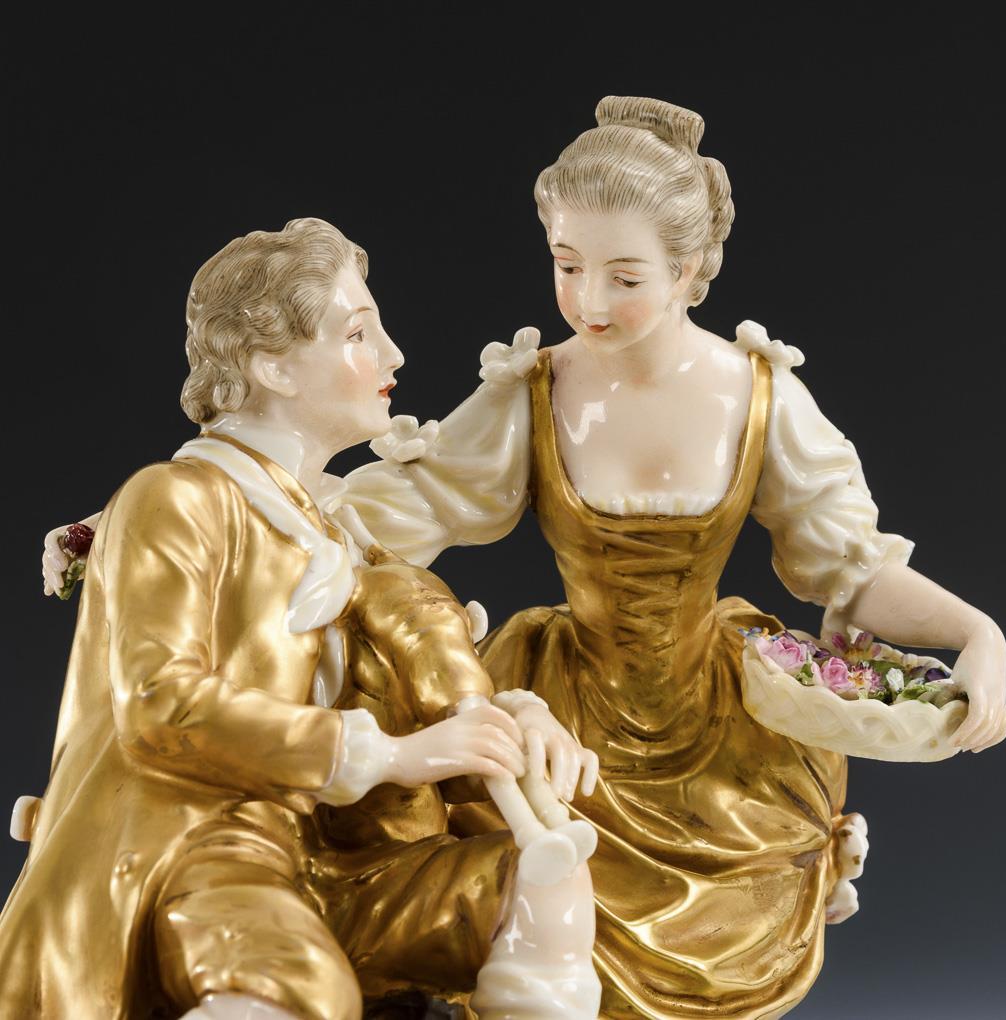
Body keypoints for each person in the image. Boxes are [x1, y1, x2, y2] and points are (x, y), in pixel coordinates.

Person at [326, 98, 1006, 1018]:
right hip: (566, 723)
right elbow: (405, 511)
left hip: (724, 739)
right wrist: (242, 505)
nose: (588, 303)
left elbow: (851, 568)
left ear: (689, 271)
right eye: (568, 266)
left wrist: (978, 633)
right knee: (520, 894)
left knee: (732, 934)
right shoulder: (537, 390)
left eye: (624, 277)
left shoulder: (757, 396)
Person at [9, 218, 600, 1019]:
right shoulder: (177, 499)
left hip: (330, 855)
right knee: (298, 991)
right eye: (358, 334)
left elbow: (419, 724)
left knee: (542, 883)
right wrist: (388, 755)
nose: (393, 355)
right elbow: (158, 708)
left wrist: (513, 724)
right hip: (197, 844)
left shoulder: (340, 537)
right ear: (271, 365)